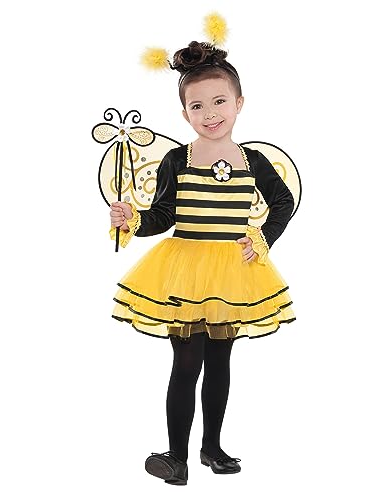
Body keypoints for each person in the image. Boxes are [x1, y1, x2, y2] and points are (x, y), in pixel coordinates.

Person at [109, 40, 296, 485]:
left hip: (231, 273)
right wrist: (132, 218)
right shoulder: (178, 159)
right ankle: (176, 456)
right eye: (197, 106)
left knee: (219, 362)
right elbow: (163, 215)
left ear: (239, 103)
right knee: (186, 362)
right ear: (184, 114)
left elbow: (283, 202)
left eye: (219, 102)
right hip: (185, 271)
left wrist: (261, 238)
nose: (210, 114)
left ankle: (212, 446)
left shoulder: (253, 161)